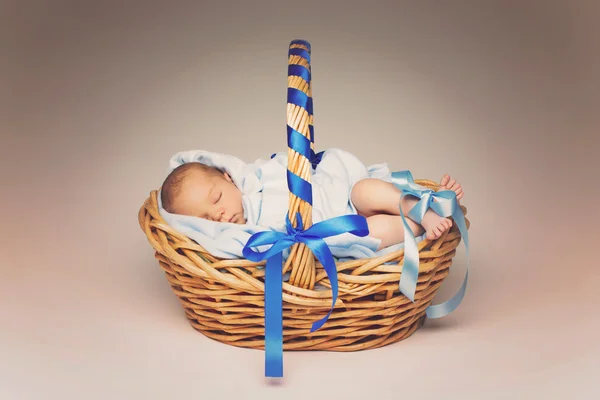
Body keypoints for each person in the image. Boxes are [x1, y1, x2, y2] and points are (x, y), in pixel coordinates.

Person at [160, 154, 464, 251]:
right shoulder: (243, 236)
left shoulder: (258, 177)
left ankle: (421, 204)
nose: (219, 213)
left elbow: (298, 164)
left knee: (365, 190)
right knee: (374, 231)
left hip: (341, 196)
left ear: (228, 178)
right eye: (206, 218)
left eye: (216, 199)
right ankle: (427, 221)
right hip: (340, 228)